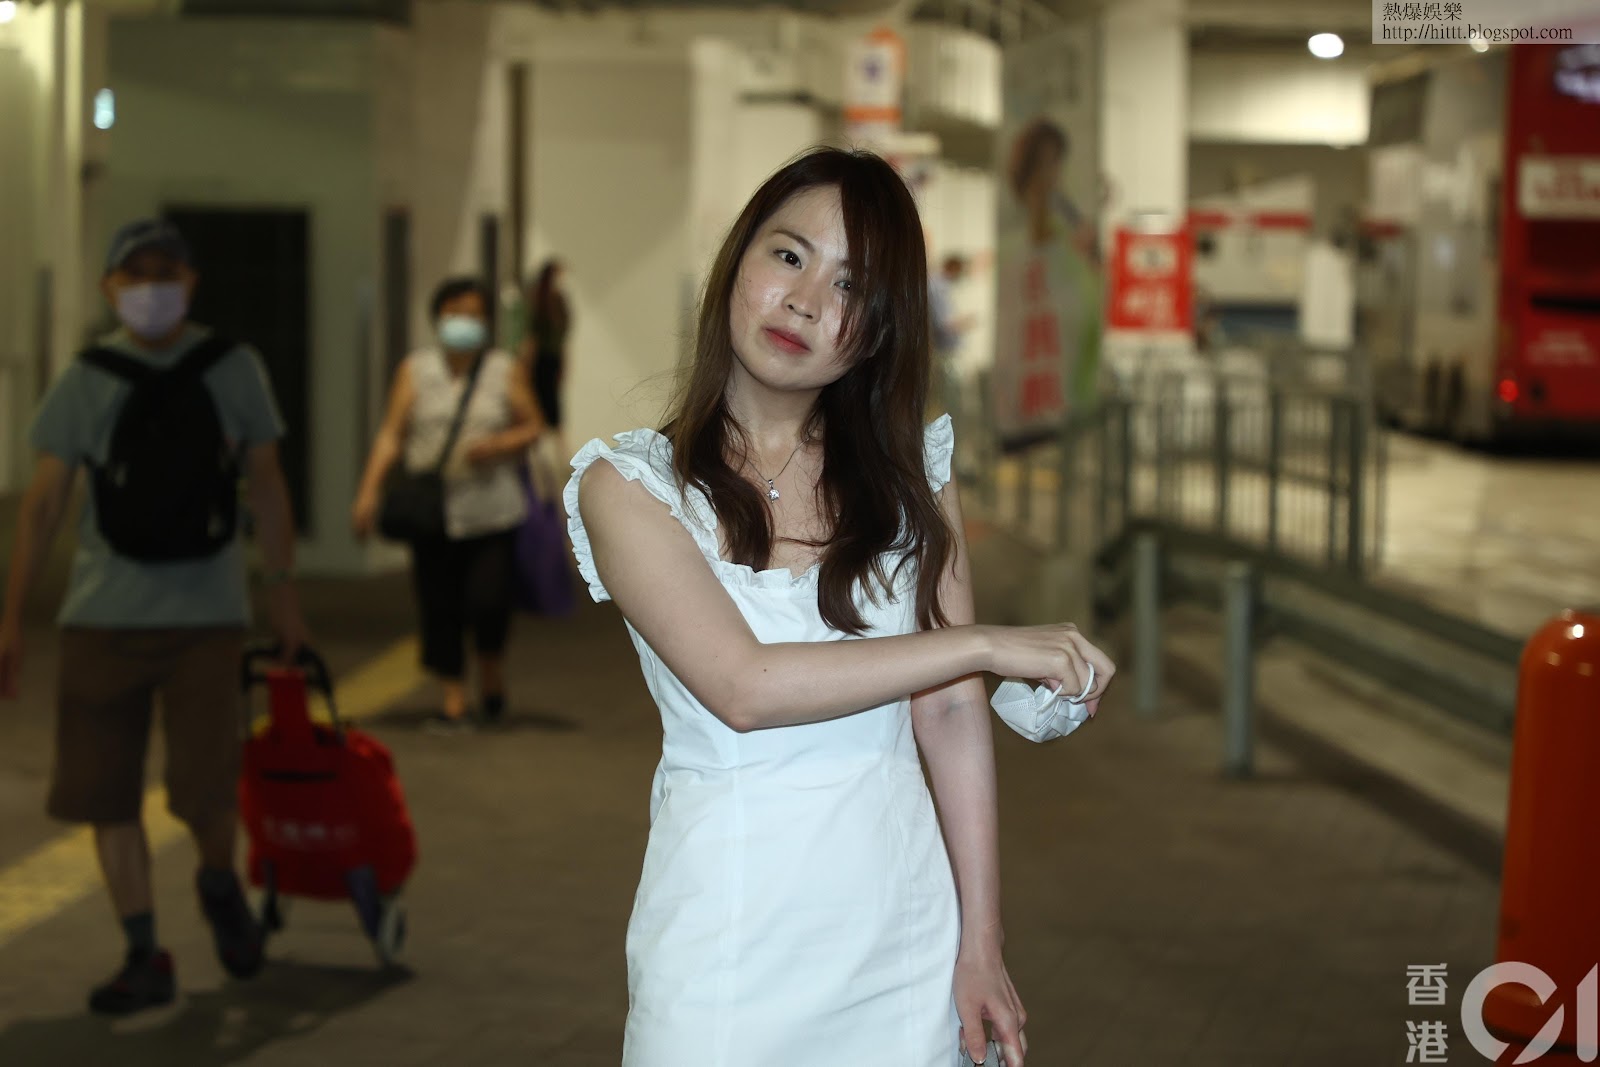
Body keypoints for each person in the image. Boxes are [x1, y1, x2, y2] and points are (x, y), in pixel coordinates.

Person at [566, 147, 1116, 1066]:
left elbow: (950, 713)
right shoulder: (629, 487)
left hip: (903, 941)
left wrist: (981, 942)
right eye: (788, 255)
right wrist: (981, 643)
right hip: (723, 943)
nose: (806, 300)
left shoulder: (912, 479)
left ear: (879, 330)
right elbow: (745, 686)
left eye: (850, 285)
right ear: (737, 263)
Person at [0, 218, 309, 1014]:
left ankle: (217, 880)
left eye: (164, 273)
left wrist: (283, 594)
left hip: (207, 617)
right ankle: (144, 952)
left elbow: (267, 481)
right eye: (133, 275)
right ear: (108, 287)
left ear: (191, 283)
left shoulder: (232, 367)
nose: (149, 288)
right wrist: (12, 617)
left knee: (208, 782)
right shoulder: (85, 377)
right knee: (103, 790)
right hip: (102, 618)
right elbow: (42, 503)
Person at [352, 277, 543, 729]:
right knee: (438, 603)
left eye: (473, 315)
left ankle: (490, 671)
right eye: (455, 313)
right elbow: (391, 434)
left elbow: (533, 425)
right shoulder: (415, 371)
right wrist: (368, 491)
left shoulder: (503, 369)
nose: (464, 322)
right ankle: (453, 698)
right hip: (432, 509)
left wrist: (499, 445)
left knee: (489, 600)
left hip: (491, 509)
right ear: (437, 318)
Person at [520, 258, 570, 462]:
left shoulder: (555, 300)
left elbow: (562, 337)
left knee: (551, 407)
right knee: (539, 406)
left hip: (550, 358)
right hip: (542, 359)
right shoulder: (540, 299)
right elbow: (532, 337)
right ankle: (546, 456)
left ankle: (557, 456)